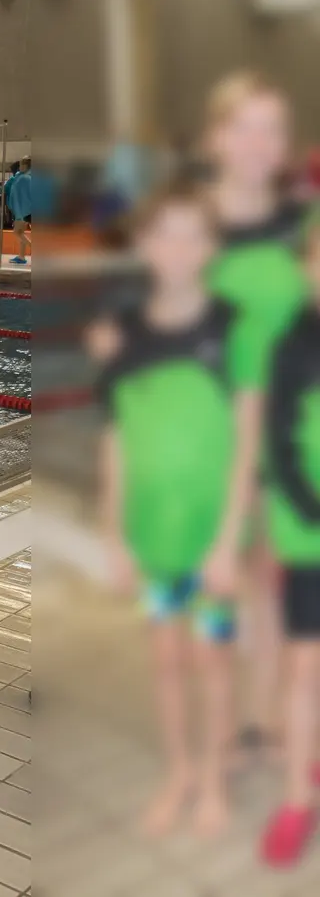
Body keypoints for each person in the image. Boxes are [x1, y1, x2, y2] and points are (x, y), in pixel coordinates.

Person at [96, 184, 259, 843]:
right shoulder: (126, 336)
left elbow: (247, 441)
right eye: (166, 235)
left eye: (194, 235)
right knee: (166, 661)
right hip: (153, 536)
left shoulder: (232, 328)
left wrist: (227, 542)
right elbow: (115, 442)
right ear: (145, 245)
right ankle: (182, 773)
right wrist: (113, 535)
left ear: (211, 247)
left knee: (211, 662)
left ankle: (215, 779)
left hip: (210, 537)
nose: (179, 249)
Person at [261, 212, 320, 867]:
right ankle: (298, 796)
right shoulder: (293, 345)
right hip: (310, 532)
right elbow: (279, 444)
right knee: (305, 669)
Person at [6, 156, 34, 264]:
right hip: (29, 209)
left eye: (22, 165)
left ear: (27, 166)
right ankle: (21, 257)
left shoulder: (24, 178)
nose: (20, 167)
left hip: (23, 209)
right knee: (21, 232)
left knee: (17, 232)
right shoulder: (27, 176)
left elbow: (18, 195)